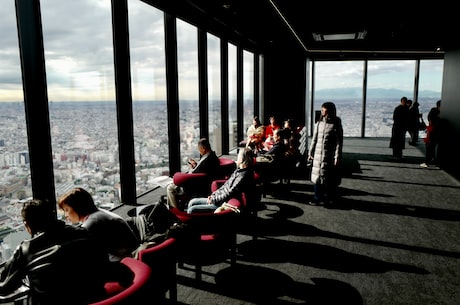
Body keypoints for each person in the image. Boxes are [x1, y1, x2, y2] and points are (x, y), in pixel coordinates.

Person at [0, 199, 132, 305]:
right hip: (96, 298)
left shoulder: (26, 249)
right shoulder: (84, 233)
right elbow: (105, 265)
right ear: (53, 216)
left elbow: (5, 286)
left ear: (27, 225)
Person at [58, 187, 140, 262]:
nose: (66, 215)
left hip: (124, 261)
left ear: (77, 207)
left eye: (67, 210)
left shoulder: (94, 221)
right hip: (131, 256)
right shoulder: (99, 213)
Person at [186, 147, 255, 214]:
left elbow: (230, 192)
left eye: (238, 156)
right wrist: (214, 195)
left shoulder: (243, 175)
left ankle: (191, 224)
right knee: (192, 202)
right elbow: (226, 185)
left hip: (224, 203)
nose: (237, 158)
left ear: (242, 159)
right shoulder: (239, 171)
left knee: (192, 209)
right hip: (219, 199)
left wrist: (214, 199)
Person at [166, 138, 220, 208]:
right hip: (204, 183)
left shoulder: (206, 160)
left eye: (199, 149)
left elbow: (194, 174)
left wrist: (191, 168)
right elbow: (201, 170)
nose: (199, 151)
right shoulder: (213, 157)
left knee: (170, 188)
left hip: (195, 185)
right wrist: (195, 165)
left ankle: (174, 210)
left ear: (203, 148)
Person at [308, 102, 343, 206]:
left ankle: (328, 199)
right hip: (318, 155)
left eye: (325, 110)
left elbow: (338, 143)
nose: (323, 112)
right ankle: (317, 198)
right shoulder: (319, 123)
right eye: (322, 110)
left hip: (329, 155)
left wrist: (337, 157)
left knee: (328, 179)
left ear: (330, 111)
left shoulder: (335, 124)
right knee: (317, 178)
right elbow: (314, 139)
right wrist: (311, 152)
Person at [421, 100, 441, 168]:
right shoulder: (442, 112)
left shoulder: (433, 110)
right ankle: (432, 159)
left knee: (430, 147)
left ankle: (428, 161)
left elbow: (429, 119)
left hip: (433, 132)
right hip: (437, 132)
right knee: (432, 147)